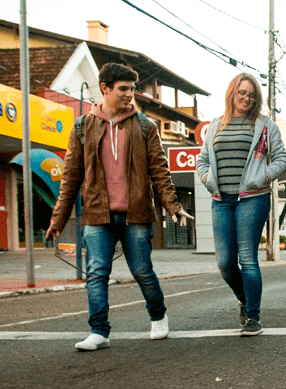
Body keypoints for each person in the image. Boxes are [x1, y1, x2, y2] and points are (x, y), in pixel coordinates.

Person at [46, 63, 193, 351]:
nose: (129, 94)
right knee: (97, 271)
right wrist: (58, 219)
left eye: (132, 89)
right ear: (105, 88)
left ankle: (158, 315)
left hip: (136, 213)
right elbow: (71, 177)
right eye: (123, 89)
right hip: (97, 214)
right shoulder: (82, 126)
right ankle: (99, 331)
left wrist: (174, 207)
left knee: (141, 270)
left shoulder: (144, 126)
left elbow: (159, 171)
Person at [196, 73, 286, 337]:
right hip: (221, 200)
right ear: (232, 93)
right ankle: (244, 298)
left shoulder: (264, 125)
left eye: (250, 94)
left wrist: (263, 177)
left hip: (252, 198)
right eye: (241, 93)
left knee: (248, 259)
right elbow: (202, 160)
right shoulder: (216, 125)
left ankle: (253, 317)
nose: (246, 98)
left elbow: (281, 159)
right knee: (225, 262)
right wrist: (206, 178)